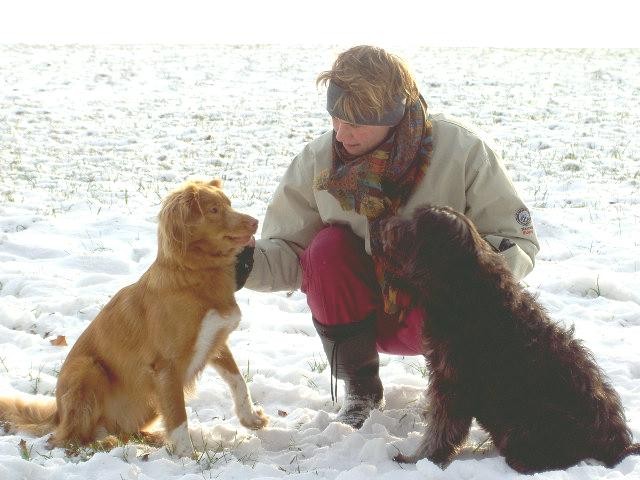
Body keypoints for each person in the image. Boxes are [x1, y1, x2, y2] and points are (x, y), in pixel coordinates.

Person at [235, 45, 539, 429]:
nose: (341, 133)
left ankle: (457, 384)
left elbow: (517, 241)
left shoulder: (462, 151)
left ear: (393, 113)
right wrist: (238, 261)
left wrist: (467, 269)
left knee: (446, 255)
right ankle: (361, 389)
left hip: (441, 314)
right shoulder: (318, 161)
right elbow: (291, 253)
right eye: (335, 117)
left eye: (357, 122)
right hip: (360, 317)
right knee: (326, 248)